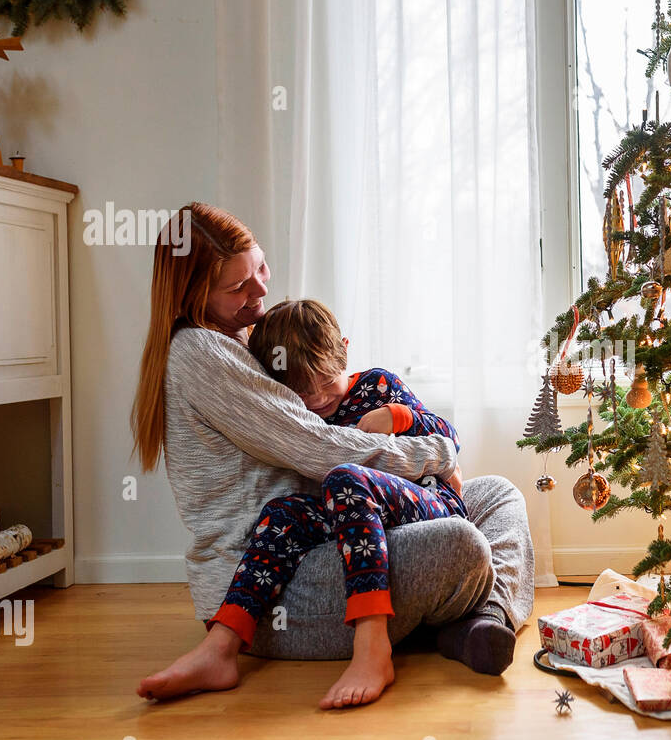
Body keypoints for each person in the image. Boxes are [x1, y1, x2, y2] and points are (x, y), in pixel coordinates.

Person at [132, 203, 530, 704]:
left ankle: (476, 624)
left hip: (335, 533)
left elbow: (351, 434)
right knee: (461, 543)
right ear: (194, 295)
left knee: (499, 493)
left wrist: (423, 440)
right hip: (283, 582)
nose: (259, 290)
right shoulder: (202, 353)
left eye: (259, 268)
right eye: (237, 287)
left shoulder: (245, 341)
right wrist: (438, 454)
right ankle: (456, 619)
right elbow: (317, 448)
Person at [205, 298, 469, 708]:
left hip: (429, 503)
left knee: (345, 476)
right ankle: (223, 643)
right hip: (358, 520)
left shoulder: (378, 386)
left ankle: (371, 642)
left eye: (326, 381)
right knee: (282, 511)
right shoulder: (296, 413)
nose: (316, 399)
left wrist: (397, 416)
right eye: (301, 390)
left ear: (344, 350)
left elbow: (448, 437)